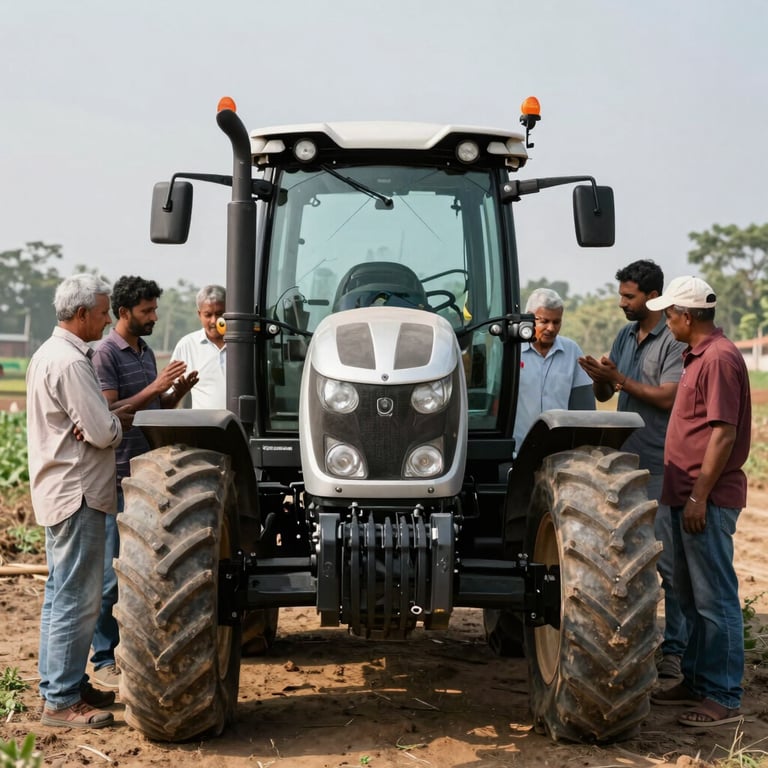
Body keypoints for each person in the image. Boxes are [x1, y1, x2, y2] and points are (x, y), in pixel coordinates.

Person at [27, 274, 133, 728]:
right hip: (79, 493)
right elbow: (103, 432)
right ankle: (62, 701)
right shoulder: (70, 364)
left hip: (63, 491)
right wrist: (109, 423)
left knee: (61, 594)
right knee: (77, 598)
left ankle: (61, 685)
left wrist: (96, 421)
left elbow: (89, 425)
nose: (108, 319)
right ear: (81, 313)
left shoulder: (50, 355)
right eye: (103, 311)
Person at [645, 276, 751, 727]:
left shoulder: (720, 359)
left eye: (669, 314)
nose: (666, 321)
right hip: (683, 494)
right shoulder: (696, 357)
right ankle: (694, 679)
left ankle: (724, 695)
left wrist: (698, 497)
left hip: (703, 498)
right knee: (688, 596)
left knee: (715, 600)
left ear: (687, 317)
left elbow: (723, 433)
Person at [578, 260, 688, 680]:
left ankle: (674, 652)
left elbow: (667, 398)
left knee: (667, 565)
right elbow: (608, 392)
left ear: (653, 297)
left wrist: (619, 378)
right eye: (621, 295)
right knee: (625, 563)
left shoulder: (672, 342)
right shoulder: (625, 334)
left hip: (660, 463)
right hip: (627, 465)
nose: (622, 303)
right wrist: (601, 378)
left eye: (630, 297)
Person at [90, 275, 197, 690]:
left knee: (144, 572)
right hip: (117, 475)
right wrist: (155, 385)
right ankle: (102, 657)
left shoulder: (145, 350)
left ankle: (130, 649)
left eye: (154, 310)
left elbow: (152, 410)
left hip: (146, 476)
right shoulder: (105, 355)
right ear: (123, 312)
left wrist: (175, 393)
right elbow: (110, 412)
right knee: (110, 575)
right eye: (147, 311)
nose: (154, 317)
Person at [513, 287, 594, 452]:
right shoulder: (512, 351)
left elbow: (583, 408)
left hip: (560, 452)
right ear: (529, 318)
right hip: (516, 449)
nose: (551, 328)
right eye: (544, 321)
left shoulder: (572, 351)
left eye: (556, 322)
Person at [170, 284, 227, 409]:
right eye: (208, 315)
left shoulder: (244, 343)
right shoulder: (187, 345)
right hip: (205, 426)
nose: (214, 321)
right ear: (199, 314)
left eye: (219, 314)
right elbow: (170, 392)